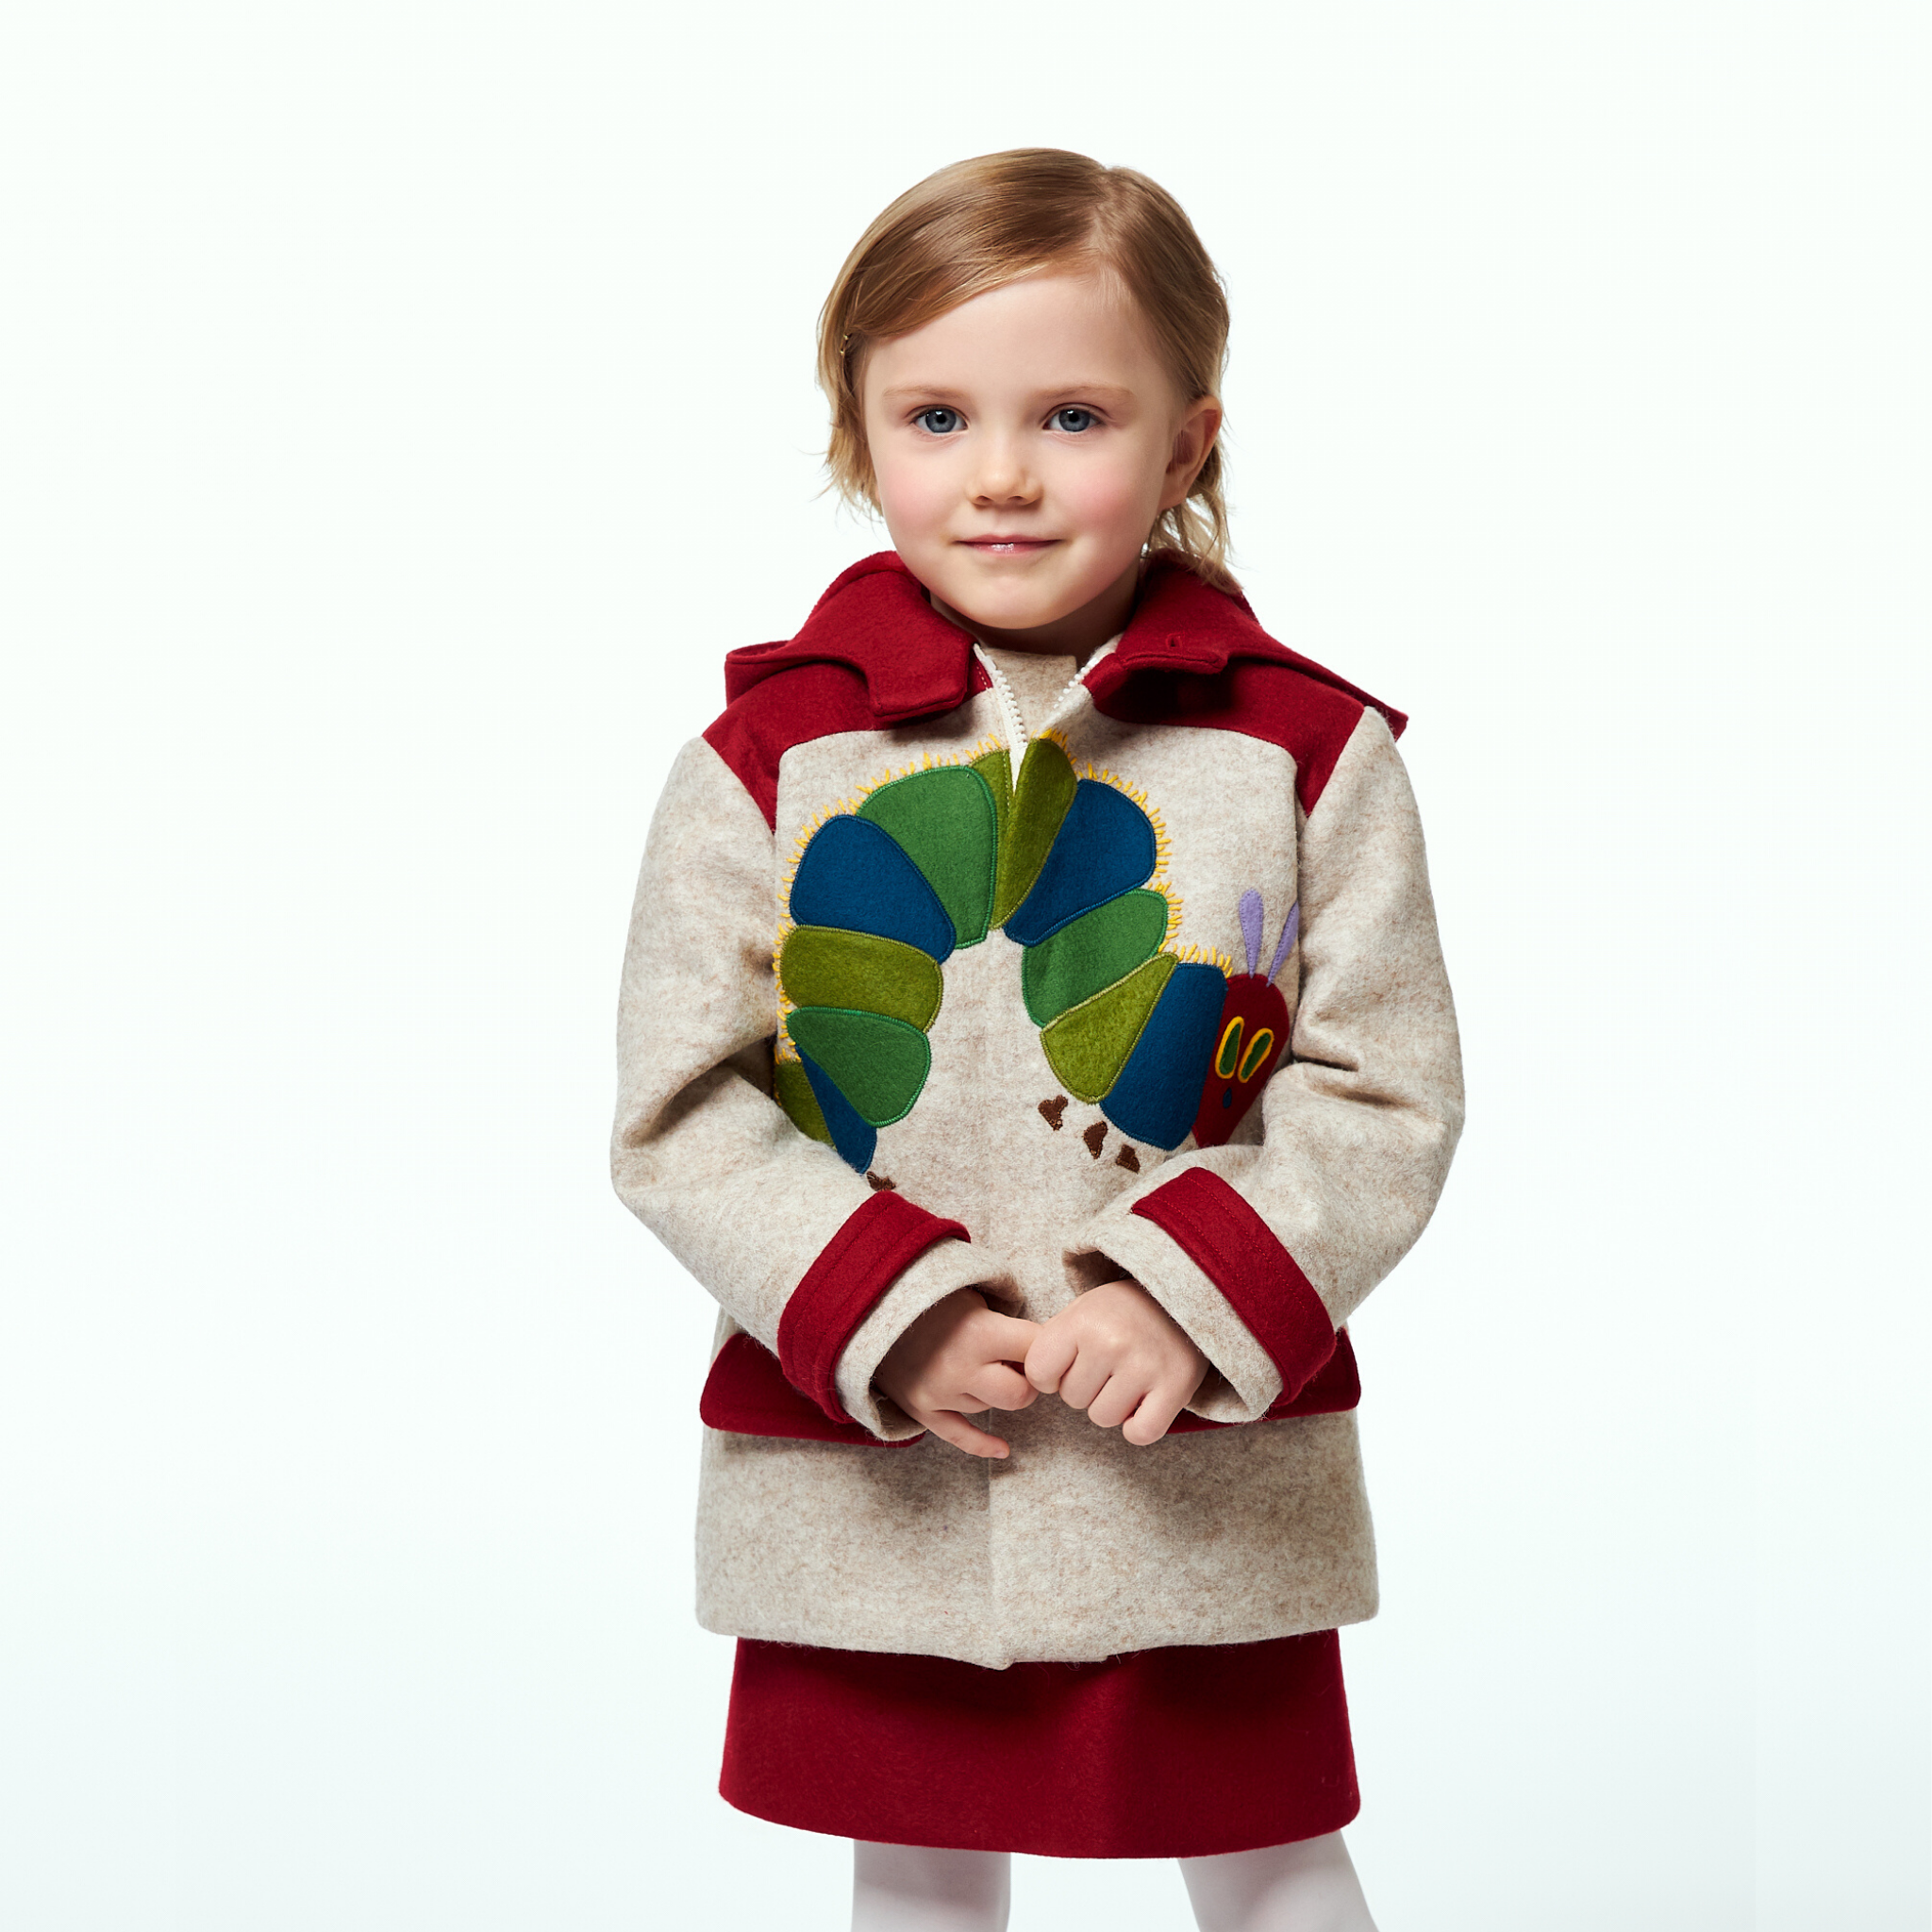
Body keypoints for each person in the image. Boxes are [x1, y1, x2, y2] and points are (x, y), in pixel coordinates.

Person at [611, 148, 1463, 1932]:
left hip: (1197, 1461)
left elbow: (1382, 1089)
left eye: (1071, 414)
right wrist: (886, 1314)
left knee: (1267, 1853)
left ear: (1188, 439)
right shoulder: (766, 762)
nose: (998, 473)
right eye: (936, 415)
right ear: (859, 433)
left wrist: (1186, 1294)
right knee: (916, 1861)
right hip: (887, 1459)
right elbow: (680, 1111)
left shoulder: (1308, 756)